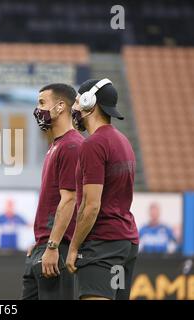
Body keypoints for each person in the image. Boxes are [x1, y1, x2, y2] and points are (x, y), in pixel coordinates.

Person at [66, 78, 139, 300]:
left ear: (90, 103)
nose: (75, 108)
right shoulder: (123, 140)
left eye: (78, 101)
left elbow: (91, 205)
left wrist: (74, 248)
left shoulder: (93, 144)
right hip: (125, 244)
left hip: (102, 245)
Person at [22, 83, 82, 300]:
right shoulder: (57, 145)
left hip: (56, 250)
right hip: (44, 247)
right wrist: (41, 243)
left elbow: (70, 200)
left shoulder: (72, 146)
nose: (37, 110)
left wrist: (53, 245)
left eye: (41, 103)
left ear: (60, 107)